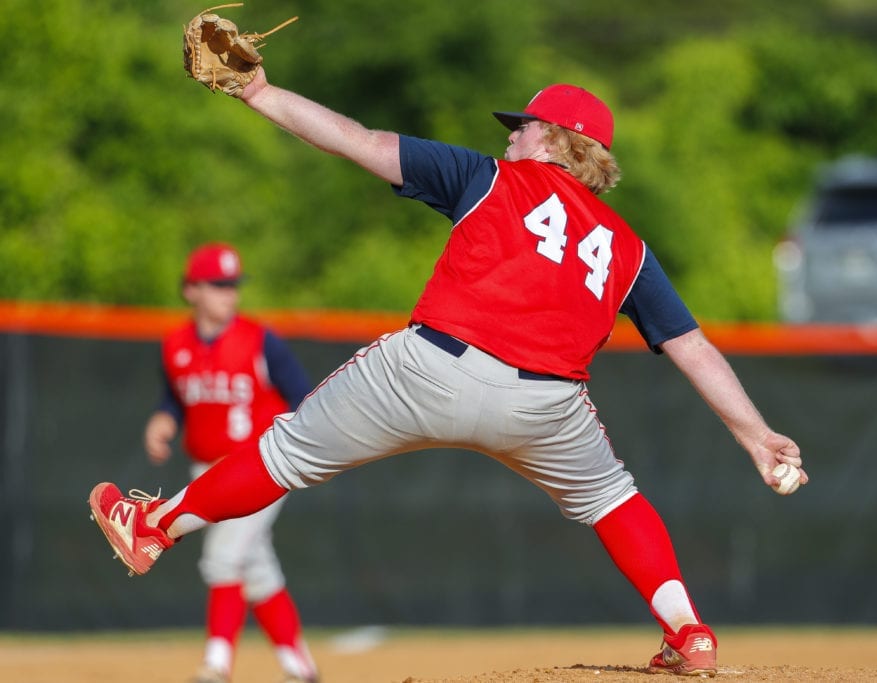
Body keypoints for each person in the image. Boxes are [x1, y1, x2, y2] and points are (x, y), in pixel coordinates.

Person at [90, 71, 808, 677]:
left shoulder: (489, 177)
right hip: (546, 404)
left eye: (523, 126)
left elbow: (360, 142)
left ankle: (153, 525)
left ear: (555, 139)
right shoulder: (627, 248)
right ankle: (688, 631)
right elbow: (692, 346)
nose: (511, 134)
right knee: (613, 499)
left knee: (283, 453)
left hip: (432, 367)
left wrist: (259, 91)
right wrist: (756, 435)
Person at [140, 243, 319, 683]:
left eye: (233, 285)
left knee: (222, 560)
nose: (229, 294)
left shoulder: (261, 341)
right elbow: (176, 402)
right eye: (219, 285)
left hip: (257, 469)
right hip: (205, 473)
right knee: (256, 569)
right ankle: (302, 668)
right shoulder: (175, 345)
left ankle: (216, 665)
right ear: (190, 290)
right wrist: (163, 421)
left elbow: (307, 399)